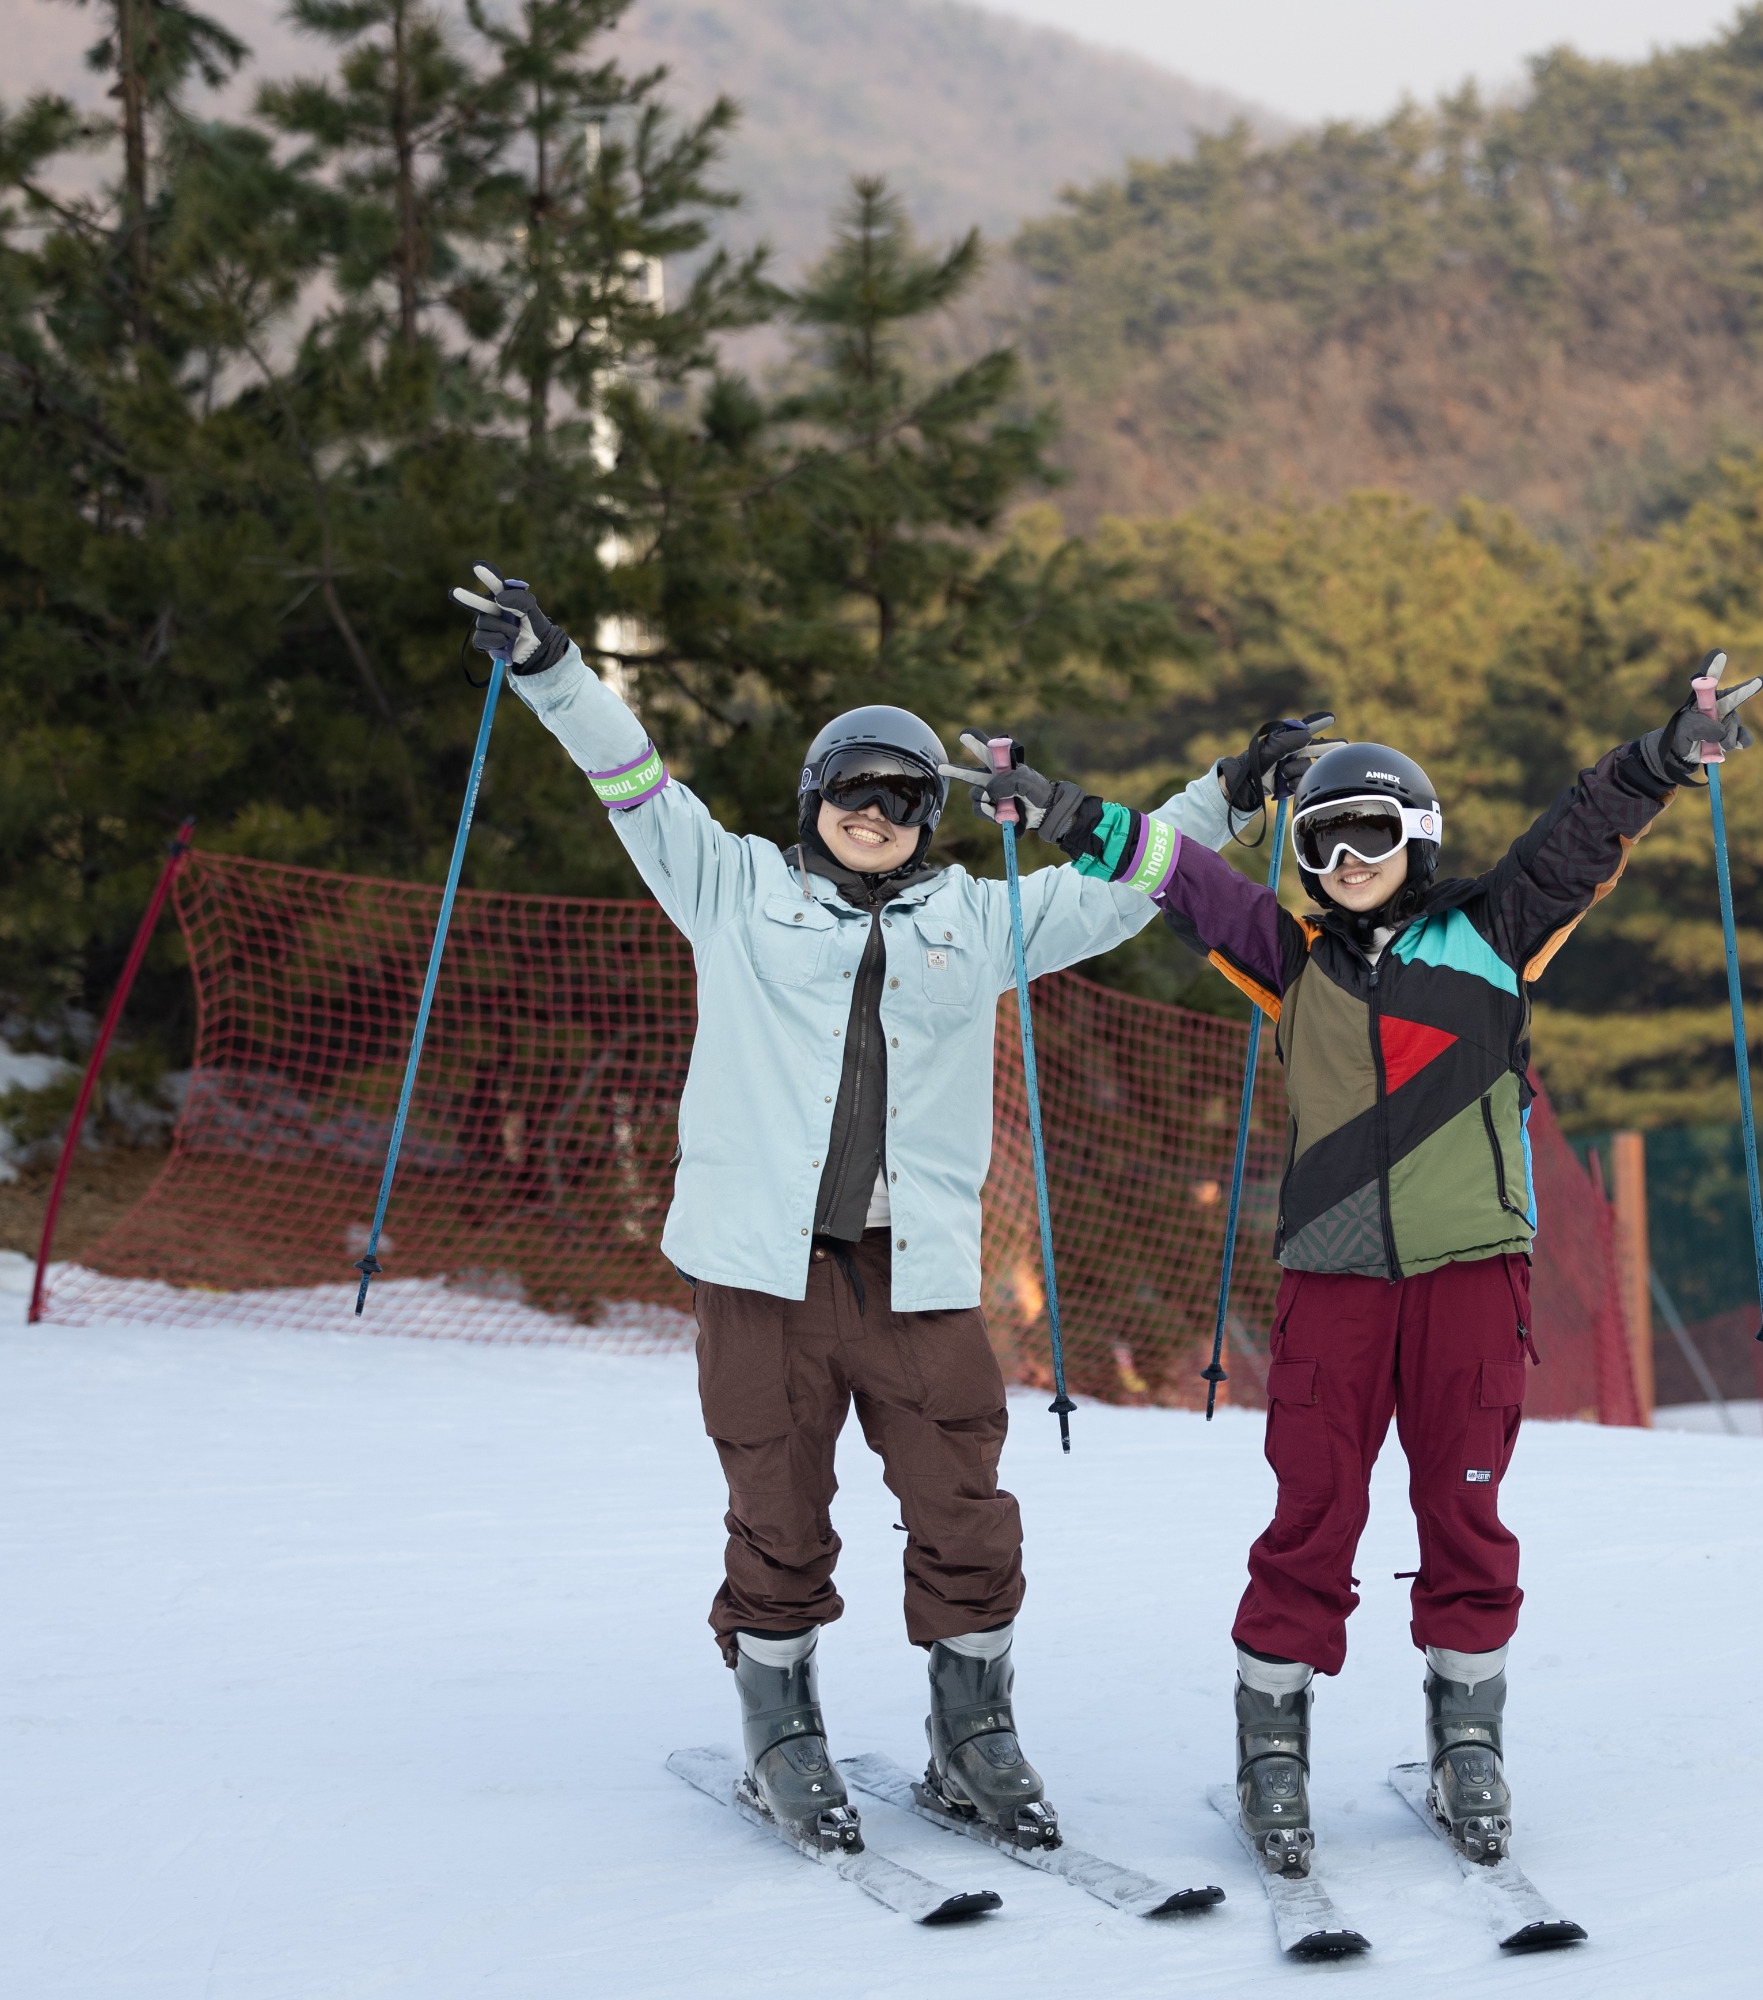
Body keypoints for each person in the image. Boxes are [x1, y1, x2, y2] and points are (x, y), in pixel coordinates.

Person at [450, 568, 1236, 1854]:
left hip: (911, 1267)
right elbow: (633, 779)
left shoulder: (978, 920)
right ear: (814, 801)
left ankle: (972, 1733)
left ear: (932, 817)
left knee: (964, 1497)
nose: (878, 812)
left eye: (907, 794)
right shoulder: (733, 888)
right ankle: (783, 1728)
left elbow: (1121, 887)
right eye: (856, 789)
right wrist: (550, 666)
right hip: (761, 1268)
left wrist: (1227, 797)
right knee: (778, 1498)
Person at [971, 658, 1763, 1878]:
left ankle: (1468, 1742)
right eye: (1327, 842)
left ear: (1419, 839)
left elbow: (1582, 831)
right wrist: (1054, 807)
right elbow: (1172, 873)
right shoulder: (1287, 956)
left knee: (1463, 1506)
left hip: (1470, 1281)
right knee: (1315, 1511)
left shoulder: (1498, 932)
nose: (1347, 861)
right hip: (1333, 1285)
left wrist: (1667, 751)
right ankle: (1272, 1746)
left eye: (1372, 836)